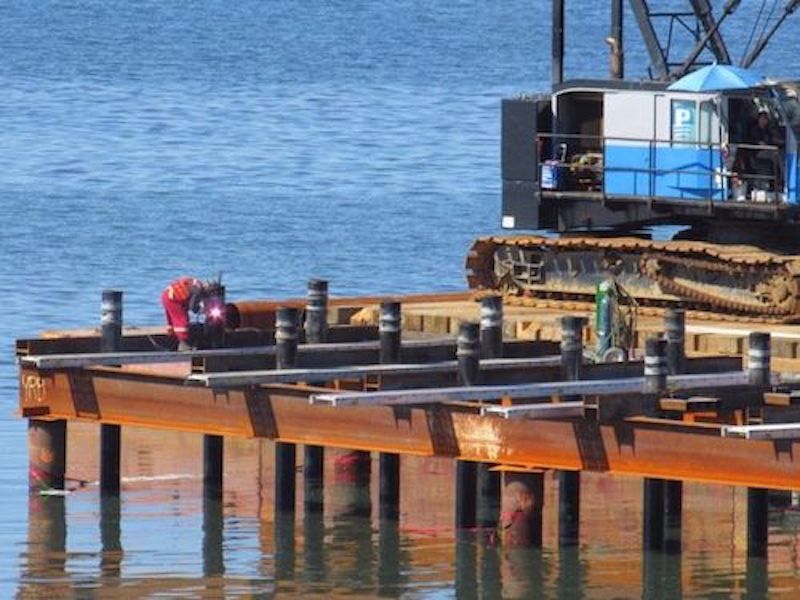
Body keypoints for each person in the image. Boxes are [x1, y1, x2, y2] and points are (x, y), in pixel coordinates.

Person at [161, 276, 210, 351]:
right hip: (173, 299)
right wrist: (202, 310)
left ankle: (173, 340)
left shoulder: (194, 283)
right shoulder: (198, 289)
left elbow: (189, 301)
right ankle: (184, 345)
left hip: (167, 296)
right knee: (182, 321)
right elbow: (192, 306)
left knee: (172, 322)